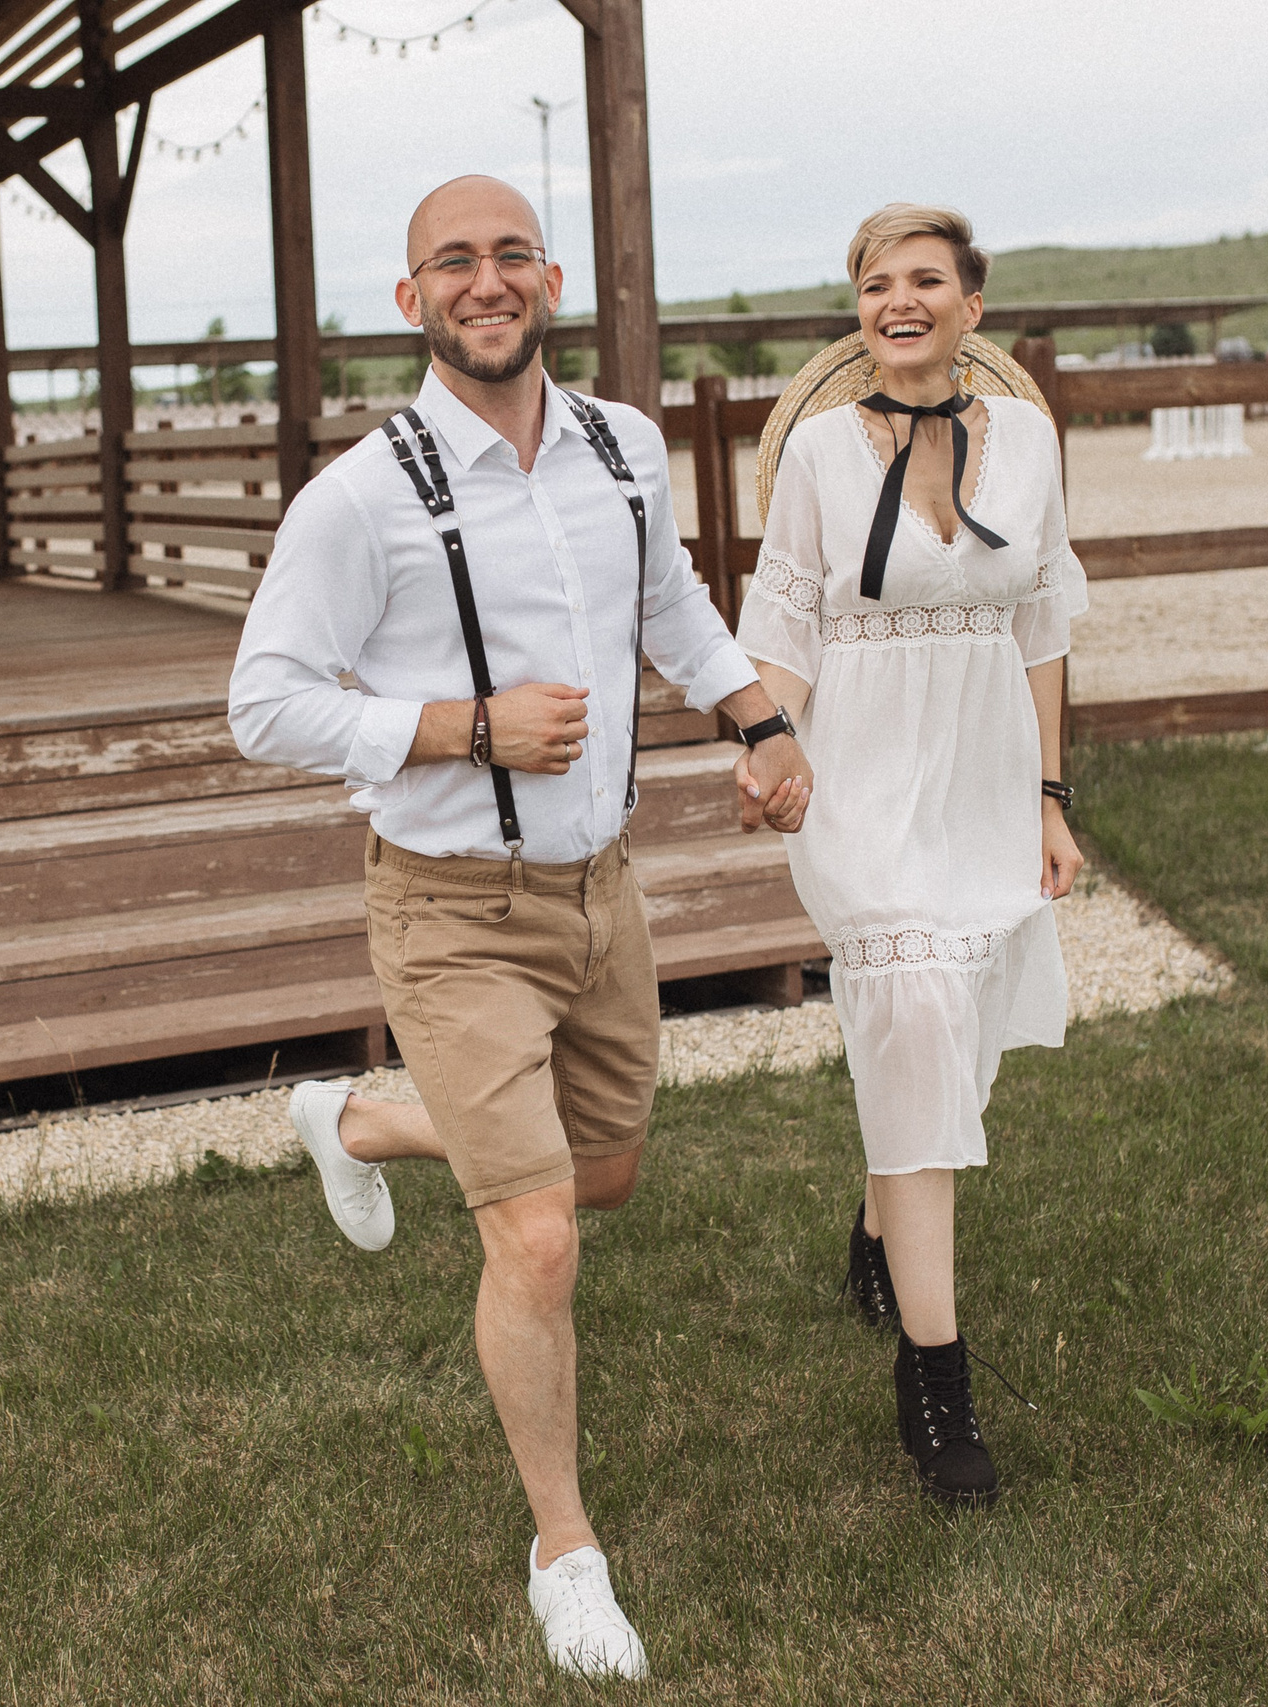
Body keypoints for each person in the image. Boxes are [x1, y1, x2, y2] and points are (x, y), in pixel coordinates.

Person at [228, 175, 813, 1679]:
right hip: (452, 911)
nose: (486, 284)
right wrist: (459, 725)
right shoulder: (357, 496)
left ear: (548, 276)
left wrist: (755, 718)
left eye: (509, 256)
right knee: (537, 1237)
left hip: (602, 893)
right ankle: (566, 1551)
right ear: (412, 299)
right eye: (453, 264)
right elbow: (263, 702)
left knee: (599, 1177)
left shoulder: (622, 444)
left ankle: (354, 1123)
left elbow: (671, 604)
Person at [735, 203, 1087, 1506]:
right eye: (877, 282)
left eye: (924, 279)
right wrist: (770, 739)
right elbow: (781, 621)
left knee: (957, 1025)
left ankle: (880, 1223)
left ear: (969, 307)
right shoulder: (822, 455)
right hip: (865, 783)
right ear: (861, 313)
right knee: (921, 1006)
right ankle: (938, 1388)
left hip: (986, 781)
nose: (900, 299)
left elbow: (1043, 622)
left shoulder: (1030, 440)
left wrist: (1049, 797)